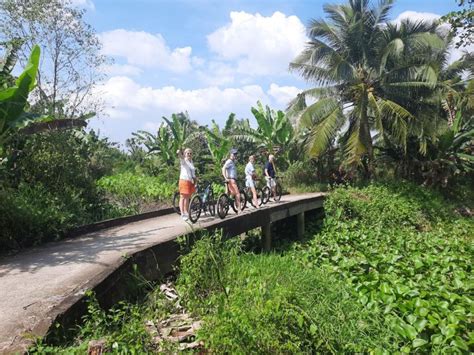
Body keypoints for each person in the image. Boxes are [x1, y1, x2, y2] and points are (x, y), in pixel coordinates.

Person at [177, 148, 196, 221]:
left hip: (189, 181)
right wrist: (179, 153)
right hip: (183, 181)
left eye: (190, 153)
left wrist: (195, 180)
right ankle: (183, 213)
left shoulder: (191, 161)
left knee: (187, 197)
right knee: (183, 197)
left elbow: (192, 172)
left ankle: (186, 211)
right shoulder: (184, 160)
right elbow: (181, 157)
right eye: (188, 153)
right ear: (185, 154)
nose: (189, 155)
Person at [222, 148, 241, 213]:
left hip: (231, 180)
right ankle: (239, 209)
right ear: (230, 154)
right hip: (231, 180)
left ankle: (224, 205)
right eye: (234, 154)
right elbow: (223, 168)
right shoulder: (229, 161)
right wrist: (225, 177)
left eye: (236, 154)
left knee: (229, 194)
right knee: (237, 194)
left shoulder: (232, 162)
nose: (235, 155)